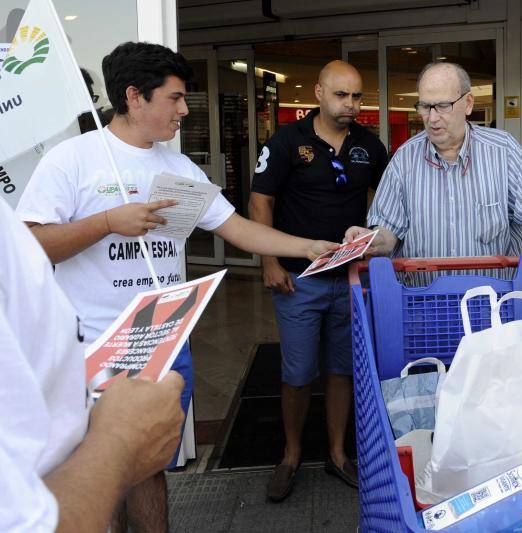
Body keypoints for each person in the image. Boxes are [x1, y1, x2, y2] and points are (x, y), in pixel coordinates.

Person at [16, 42, 336, 532]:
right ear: (134, 97)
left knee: (147, 467)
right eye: (175, 98)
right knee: (99, 470)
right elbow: (29, 248)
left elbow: (236, 228)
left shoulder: (179, 168)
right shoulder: (72, 161)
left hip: (164, 342)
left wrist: (308, 246)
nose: (185, 110)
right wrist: (106, 221)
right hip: (95, 349)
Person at [0, 196, 186, 532]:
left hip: (66, 467)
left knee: (147, 475)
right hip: (73, 475)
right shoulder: (69, 160)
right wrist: (117, 440)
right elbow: (27, 523)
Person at [248, 60, 388, 502]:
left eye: (357, 96)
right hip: (298, 279)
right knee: (297, 371)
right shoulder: (288, 141)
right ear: (319, 93)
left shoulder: (369, 144)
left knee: (342, 369)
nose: (350, 105)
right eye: (341, 95)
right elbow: (259, 204)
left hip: (350, 278)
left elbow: (389, 202)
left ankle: (336, 453)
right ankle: (290, 455)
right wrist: (269, 262)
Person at [346, 62, 522, 294]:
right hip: (422, 306)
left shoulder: (503, 149)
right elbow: (388, 231)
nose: (432, 118)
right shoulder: (404, 159)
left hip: (492, 306)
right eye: (424, 106)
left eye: (442, 106)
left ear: (468, 103)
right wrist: (368, 241)